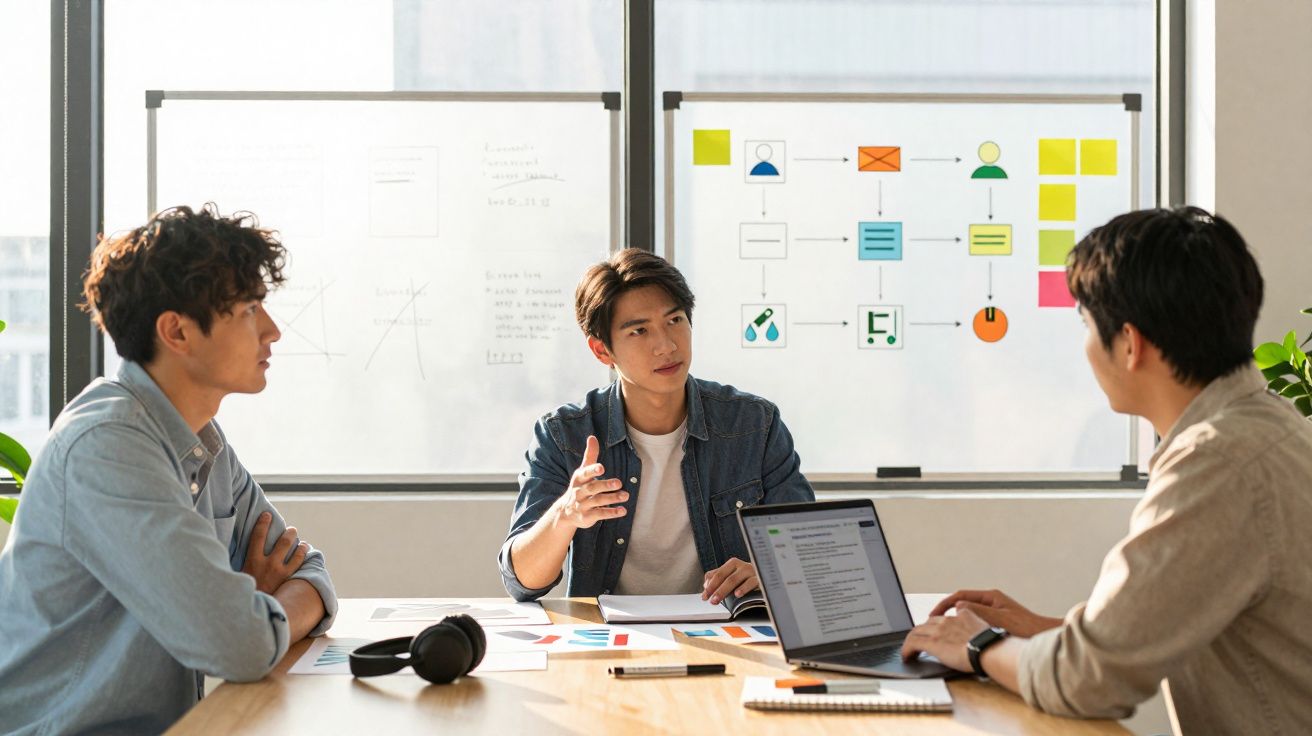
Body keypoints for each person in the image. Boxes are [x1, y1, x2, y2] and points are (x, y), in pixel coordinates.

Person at [901, 207, 1312, 733]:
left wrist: (979, 646)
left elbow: (1090, 681)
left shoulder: (1219, 461)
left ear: (1130, 344)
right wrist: (1046, 631)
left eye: (1086, 326)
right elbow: (1170, 629)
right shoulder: (1264, 426)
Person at [0, 205, 338, 735]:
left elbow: (309, 571)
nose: (272, 331)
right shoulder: (106, 447)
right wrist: (250, 612)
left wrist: (255, 608)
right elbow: (239, 644)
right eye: (249, 310)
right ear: (177, 332)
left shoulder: (203, 442)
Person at [498, 248, 814, 604]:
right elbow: (522, 581)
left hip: (730, 631)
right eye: (639, 331)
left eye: (674, 321)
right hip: (608, 639)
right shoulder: (563, 435)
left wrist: (768, 572)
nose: (666, 345)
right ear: (602, 350)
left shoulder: (754, 425)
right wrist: (564, 515)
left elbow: (807, 555)